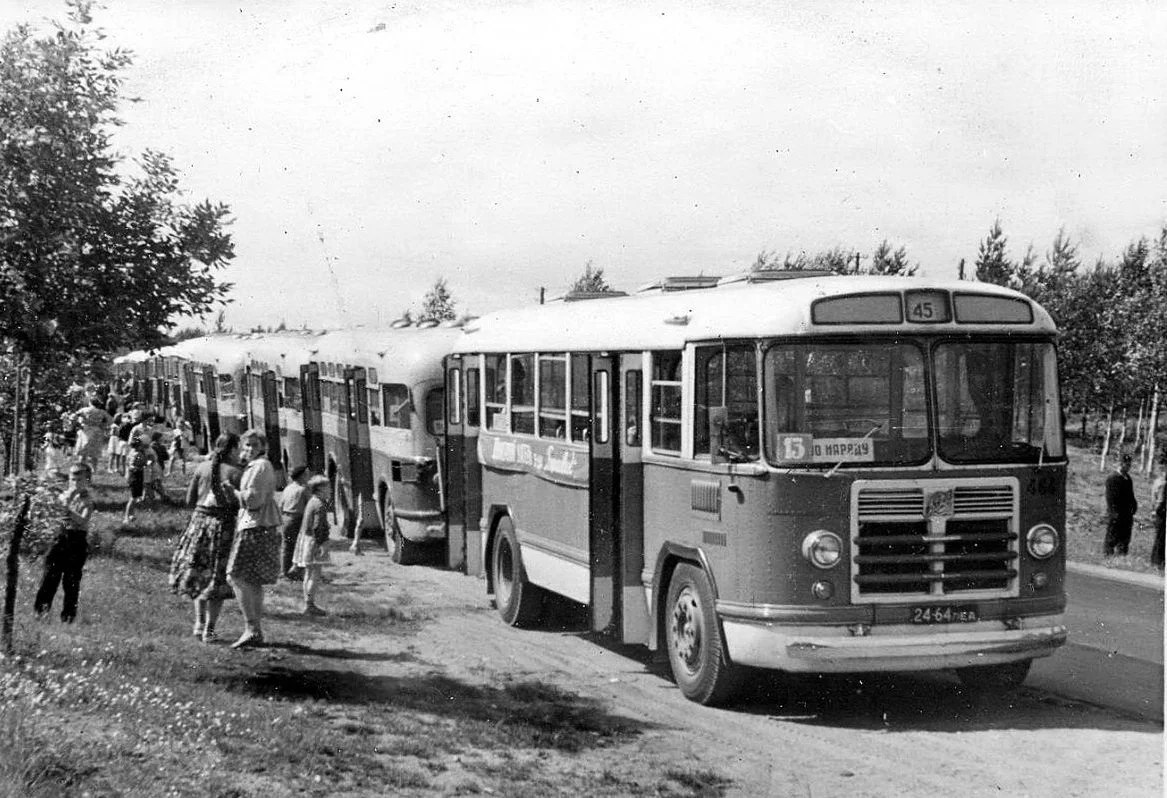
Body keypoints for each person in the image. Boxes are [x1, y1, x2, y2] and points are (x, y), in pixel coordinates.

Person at [168, 433, 243, 643]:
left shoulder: (202, 468)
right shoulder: (236, 472)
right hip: (223, 527)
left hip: (199, 523)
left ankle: (198, 624)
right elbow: (240, 504)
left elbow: (189, 499)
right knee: (217, 579)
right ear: (233, 450)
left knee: (199, 573)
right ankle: (210, 629)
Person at [221, 429, 281, 649]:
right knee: (251, 579)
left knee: (236, 576)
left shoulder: (259, 467)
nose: (249, 449)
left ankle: (251, 628)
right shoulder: (256, 466)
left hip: (255, 526)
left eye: (254, 445)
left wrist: (233, 492)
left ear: (263, 448)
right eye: (246, 445)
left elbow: (253, 501)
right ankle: (254, 629)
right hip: (260, 525)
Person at [34, 462, 95, 623]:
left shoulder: (87, 499)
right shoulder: (64, 495)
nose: (74, 483)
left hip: (76, 540)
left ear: (87, 481)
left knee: (71, 581)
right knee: (49, 576)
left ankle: (68, 617)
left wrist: (67, 509)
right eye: (72, 479)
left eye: (79, 480)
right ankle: (41, 611)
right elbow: (54, 513)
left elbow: (83, 520)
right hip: (60, 538)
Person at [292, 475, 333, 616]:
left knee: (308, 573)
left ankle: (307, 602)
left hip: (306, 539)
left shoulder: (312, 501)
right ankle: (310, 605)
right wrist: (322, 544)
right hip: (314, 541)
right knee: (315, 574)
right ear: (320, 489)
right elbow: (318, 527)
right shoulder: (320, 505)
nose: (330, 490)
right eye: (328, 487)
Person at [277, 465, 310, 579]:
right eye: (306, 474)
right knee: (299, 547)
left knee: (286, 546)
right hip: (297, 519)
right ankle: (298, 572)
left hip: (285, 519)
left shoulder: (288, 488)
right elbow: (309, 506)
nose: (308, 477)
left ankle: (285, 571)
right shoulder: (303, 490)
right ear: (301, 476)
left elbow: (280, 505)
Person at [1103, 453, 1138, 556]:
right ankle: (1108, 554)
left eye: (1129, 465)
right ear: (1120, 463)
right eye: (1125, 464)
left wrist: (1134, 505)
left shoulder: (1128, 478)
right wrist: (1113, 512)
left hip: (1127, 513)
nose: (1128, 467)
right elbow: (1110, 497)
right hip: (1116, 512)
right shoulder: (1113, 478)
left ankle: (1122, 554)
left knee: (1125, 536)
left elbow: (1131, 494)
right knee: (1113, 534)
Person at [73, 398, 112, 471]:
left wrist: (78, 424)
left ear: (90, 402)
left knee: (83, 450)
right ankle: (94, 469)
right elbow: (110, 420)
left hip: (86, 430)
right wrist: (103, 425)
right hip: (97, 431)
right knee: (95, 451)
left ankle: (81, 467)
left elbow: (74, 416)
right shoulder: (102, 412)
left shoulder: (84, 410)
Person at [122, 437, 154, 524]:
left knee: (135, 497)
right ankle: (126, 517)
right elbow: (131, 466)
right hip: (134, 477)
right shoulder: (135, 454)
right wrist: (141, 467)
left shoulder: (136, 453)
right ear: (138, 446)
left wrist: (147, 462)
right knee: (132, 498)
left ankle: (131, 515)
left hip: (138, 476)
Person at [1151, 464, 1166, 569]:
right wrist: (1156, 511)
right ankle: (1158, 562)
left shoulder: (1157, 481)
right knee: (1161, 538)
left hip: (1157, 512)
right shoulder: (1164, 484)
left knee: (1158, 538)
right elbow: (1160, 501)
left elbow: (1154, 497)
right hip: (1161, 513)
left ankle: (1154, 560)